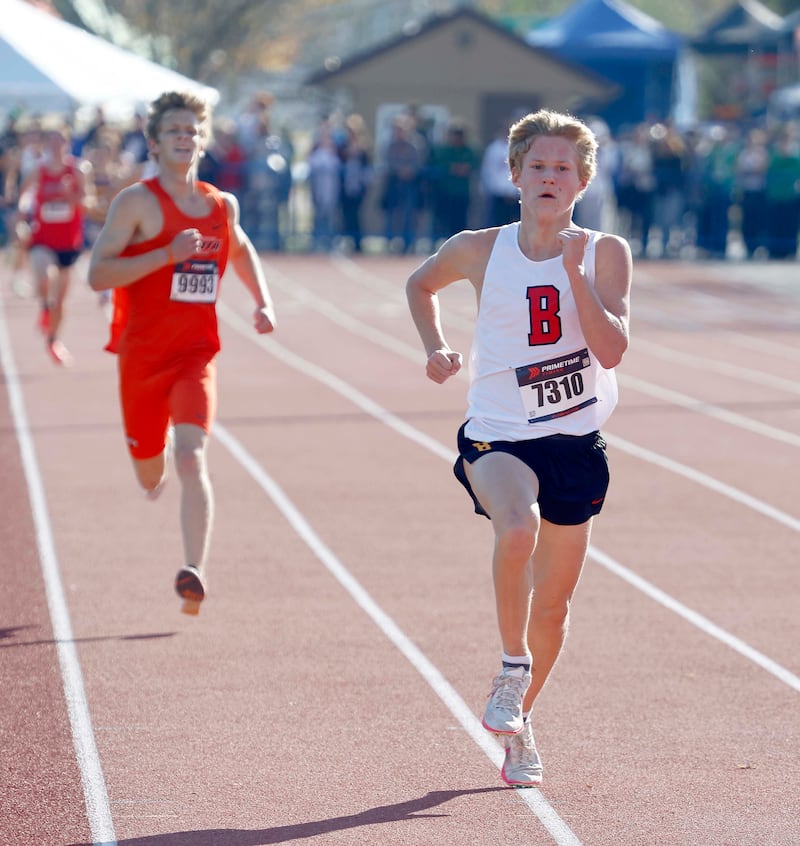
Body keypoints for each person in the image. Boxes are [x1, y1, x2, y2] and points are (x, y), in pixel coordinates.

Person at [406, 110, 632, 788]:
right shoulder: (479, 248)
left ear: (582, 182)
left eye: (563, 168)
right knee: (517, 529)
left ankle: (519, 721)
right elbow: (420, 285)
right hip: (497, 436)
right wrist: (435, 347)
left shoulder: (605, 252)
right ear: (514, 175)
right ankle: (511, 668)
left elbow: (614, 348)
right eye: (538, 166)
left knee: (555, 607)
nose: (549, 177)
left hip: (576, 441)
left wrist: (575, 274)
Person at [88, 91, 277, 615]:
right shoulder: (137, 203)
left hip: (195, 353)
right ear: (153, 142)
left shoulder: (221, 205)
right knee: (151, 474)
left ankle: (194, 568)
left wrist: (262, 301)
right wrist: (165, 255)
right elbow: (97, 273)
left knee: (195, 456)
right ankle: (157, 452)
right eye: (173, 130)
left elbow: (238, 246)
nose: (184, 138)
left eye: (192, 130)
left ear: (203, 139)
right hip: (142, 359)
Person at [21, 124, 92, 365]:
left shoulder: (78, 170)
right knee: (45, 275)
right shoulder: (37, 171)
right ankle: (43, 306)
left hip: (68, 243)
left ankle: (53, 340)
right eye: (51, 141)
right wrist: (21, 218)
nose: (55, 145)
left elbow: (86, 203)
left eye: (60, 140)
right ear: (46, 145)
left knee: (61, 300)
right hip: (43, 239)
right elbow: (23, 197)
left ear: (67, 143)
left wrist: (69, 194)